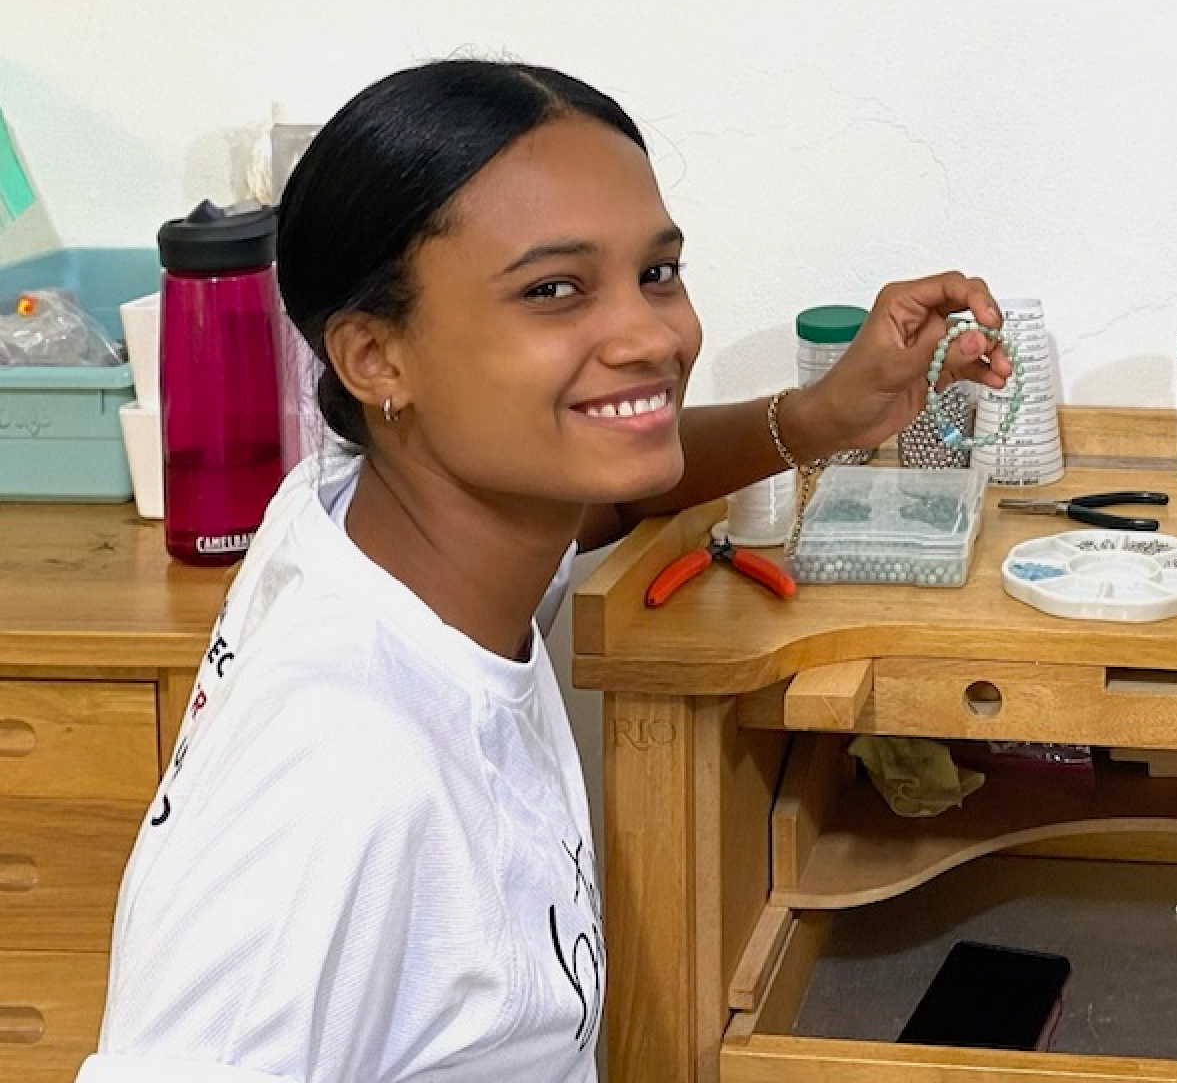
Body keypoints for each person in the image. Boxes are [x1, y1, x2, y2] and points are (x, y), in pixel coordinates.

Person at [76, 60, 1011, 1083]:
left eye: (656, 272)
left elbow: (602, 487)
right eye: (553, 290)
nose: (652, 333)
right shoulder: (341, 770)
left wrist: (820, 419)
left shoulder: (355, 515)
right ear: (375, 358)